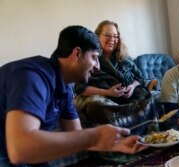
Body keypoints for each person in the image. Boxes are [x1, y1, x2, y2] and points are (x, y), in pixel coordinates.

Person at [0, 25, 147, 167]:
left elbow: (76, 134)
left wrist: (114, 144)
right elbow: (19, 149)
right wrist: (95, 136)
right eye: (94, 57)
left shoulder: (66, 86)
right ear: (76, 54)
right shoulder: (32, 76)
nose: (98, 66)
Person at [74, 20, 153, 133]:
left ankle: (142, 133)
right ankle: (119, 133)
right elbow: (80, 88)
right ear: (97, 36)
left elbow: (139, 77)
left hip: (127, 96)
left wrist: (132, 87)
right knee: (95, 105)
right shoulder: (89, 58)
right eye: (108, 35)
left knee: (145, 96)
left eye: (116, 36)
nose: (113, 39)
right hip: (105, 98)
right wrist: (108, 92)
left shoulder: (124, 57)